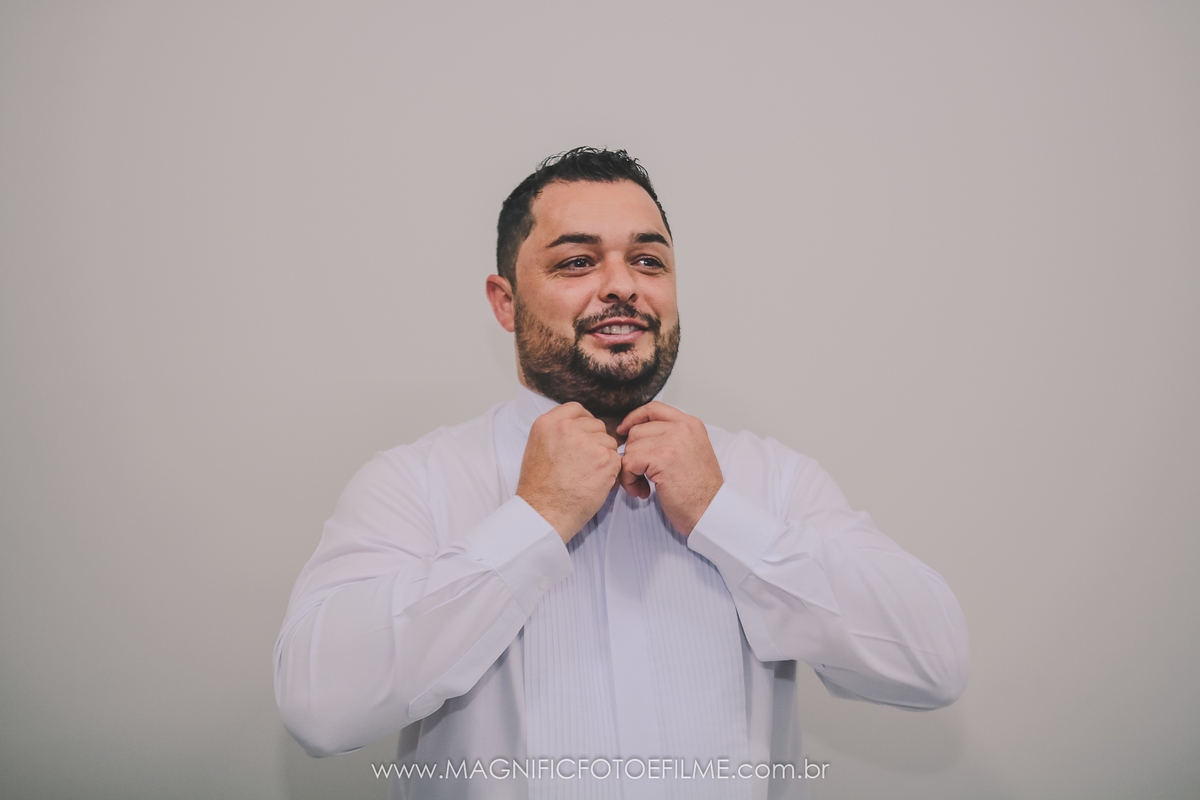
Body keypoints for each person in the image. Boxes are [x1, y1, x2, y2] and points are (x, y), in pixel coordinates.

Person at [273, 147, 970, 800]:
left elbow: (933, 664)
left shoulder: (772, 479)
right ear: (505, 302)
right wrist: (533, 519)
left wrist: (723, 515)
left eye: (648, 261)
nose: (622, 286)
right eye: (577, 262)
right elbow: (318, 708)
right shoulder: (413, 483)